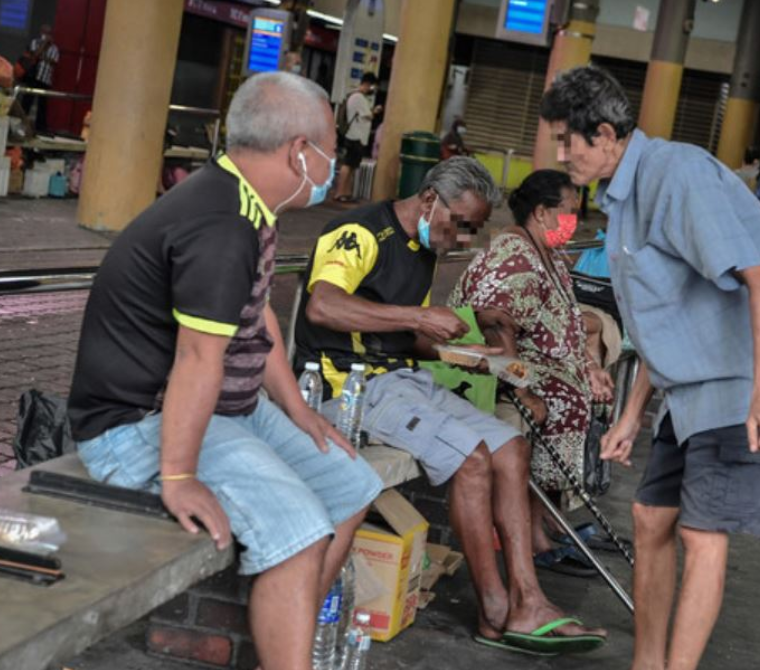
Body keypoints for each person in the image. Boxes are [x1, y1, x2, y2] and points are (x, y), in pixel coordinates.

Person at [66, 73, 383, 670]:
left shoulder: (248, 203)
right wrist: (180, 475)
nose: (334, 165)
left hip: (225, 409)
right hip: (139, 423)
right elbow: (196, 358)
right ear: (299, 151)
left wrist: (296, 409)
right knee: (300, 530)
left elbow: (257, 319)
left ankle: (283, 649)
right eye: (331, 151)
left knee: (350, 488)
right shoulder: (221, 223)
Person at [540, 66, 760, 670]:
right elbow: (665, 317)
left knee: (701, 532)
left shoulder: (677, 175)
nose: (560, 153)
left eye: (569, 140)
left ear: (608, 134)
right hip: (691, 389)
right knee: (649, 518)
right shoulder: (623, 199)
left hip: (743, 381)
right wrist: (630, 414)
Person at [293, 157, 607, 655]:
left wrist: (465, 354)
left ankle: (529, 597)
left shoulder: (424, 245)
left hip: (400, 378)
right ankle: (495, 608)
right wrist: (420, 315)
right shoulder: (358, 232)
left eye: (473, 229)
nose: (463, 239)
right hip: (346, 386)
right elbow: (323, 306)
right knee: (472, 456)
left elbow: (406, 341)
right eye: (460, 225)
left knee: (511, 447)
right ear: (429, 199)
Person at [449, 169, 615, 577]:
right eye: (569, 211)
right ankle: (536, 535)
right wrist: (522, 391)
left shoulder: (549, 254)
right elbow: (494, 322)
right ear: (542, 212)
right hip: (489, 372)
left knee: (574, 394)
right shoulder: (514, 255)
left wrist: (587, 364)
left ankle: (544, 524)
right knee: (559, 401)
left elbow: (565, 322)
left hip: (536, 365)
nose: (575, 220)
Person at [334, 72, 381, 203]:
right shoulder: (359, 97)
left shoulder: (354, 96)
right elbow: (367, 115)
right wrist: (375, 110)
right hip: (355, 136)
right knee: (348, 165)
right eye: (372, 87)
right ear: (367, 84)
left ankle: (346, 193)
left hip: (355, 135)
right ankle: (340, 193)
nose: (373, 90)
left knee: (352, 165)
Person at [22, 24, 59, 132]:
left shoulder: (55, 48)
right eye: (44, 32)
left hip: (45, 79)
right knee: (27, 102)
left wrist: (43, 56)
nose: (46, 35)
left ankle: (41, 128)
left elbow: (54, 61)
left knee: (42, 106)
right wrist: (44, 45)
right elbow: (34, 55)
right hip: (33, 77)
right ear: (41, 32)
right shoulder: (35, 42)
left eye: (48, 33)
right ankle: (21, 124)